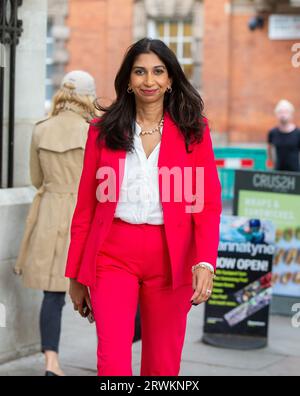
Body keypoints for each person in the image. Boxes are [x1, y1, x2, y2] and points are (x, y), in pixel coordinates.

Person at [65, 38, 222, 376]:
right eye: (139, 72)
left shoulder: (195, 132)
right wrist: (76, 275)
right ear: (128, 80)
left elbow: (207, 205)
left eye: (157, 72)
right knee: (112, 360)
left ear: (170, 80)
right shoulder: (102, 132)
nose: (148, 81)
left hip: (172, 257)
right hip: (112, 255)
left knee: (163, 364)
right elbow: (85, 208)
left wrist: (206, 261)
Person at [14, 70, 97, 376]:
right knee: (104, 289)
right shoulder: (93, 132)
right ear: (89, 96)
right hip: (84, 216)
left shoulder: (41, 129)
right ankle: (112, 355)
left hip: (50, 212)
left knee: (52, 294)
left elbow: (37, 179)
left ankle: (52, 362)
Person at [267, 99, 300, 172]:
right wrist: (272, 164)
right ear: (276, 114)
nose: (283, 115)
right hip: (278, 171)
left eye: (286, 112)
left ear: (291, 114)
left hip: (295, 172)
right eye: (280, 112)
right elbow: (269, 150)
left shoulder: (298, 133)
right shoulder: (272, 132)